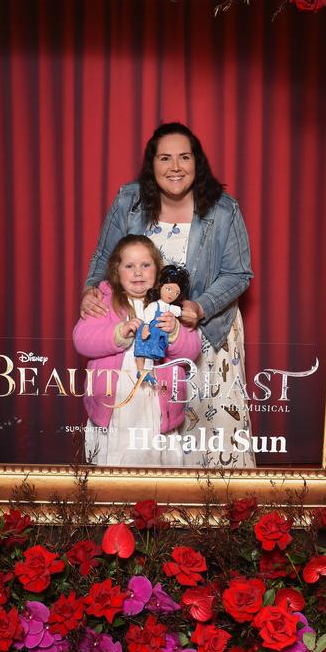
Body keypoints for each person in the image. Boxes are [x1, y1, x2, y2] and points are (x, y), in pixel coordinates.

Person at [80, 123, 256, 468]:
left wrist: (199, 307)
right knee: (152, 427)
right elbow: (105, 257)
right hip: (140, 337)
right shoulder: (128, 201)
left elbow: (238, 274)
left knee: (213, 432)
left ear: (197, 162)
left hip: (207, 333)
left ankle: (222, 513)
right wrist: (90, 290)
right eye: (165, 158)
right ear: (152, 164)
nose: (175, 167)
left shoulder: (223, 210)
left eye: (184, 157)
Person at [73, 235, 201, 467]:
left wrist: (173, 333)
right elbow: (82, 340)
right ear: (116, 271)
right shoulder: (103, 301)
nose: (138, 272)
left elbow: (191, 352)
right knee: (114, 464)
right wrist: (118, 334)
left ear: (158, 270)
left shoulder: (172, 307)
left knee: (158, 467)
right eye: (130, 266)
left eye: (145, 265)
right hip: (115, 406)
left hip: (156, 404)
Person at [135, 264, 190, 383]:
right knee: (142, 351)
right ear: (160, 287)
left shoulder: (170, 307)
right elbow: (148, 316)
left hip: (158, 334)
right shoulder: (155, 305)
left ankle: (148, 373)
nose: (172, 294)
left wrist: (192, 314)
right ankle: (140, 371)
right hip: (149, 330)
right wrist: (145, 328)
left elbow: (181, 312)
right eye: (169, 289)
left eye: (176, 293)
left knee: (152, 354)